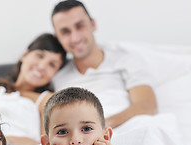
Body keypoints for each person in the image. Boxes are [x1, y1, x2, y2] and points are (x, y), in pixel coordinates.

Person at [51, 0, 158, 129]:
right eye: (66, 32)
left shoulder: (125, 60)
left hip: (126, 131)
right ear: (57, 38)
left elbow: (147, 105)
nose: (75, 38)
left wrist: (100, 127)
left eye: (80, 26)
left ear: (93, 24)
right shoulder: (55, 74)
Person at [0, 33, 67, 145]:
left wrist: (0, 141)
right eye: (40, 56)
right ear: (25, 55)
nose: (42, 66)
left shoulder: (46, 100)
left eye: (52, 64)